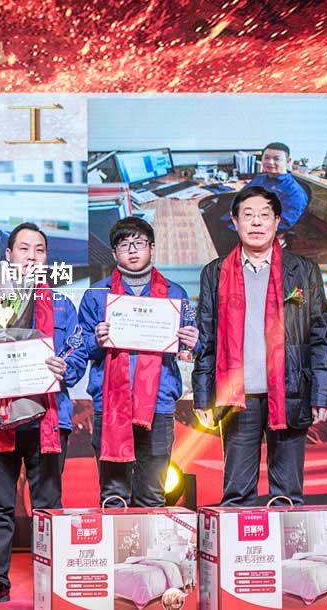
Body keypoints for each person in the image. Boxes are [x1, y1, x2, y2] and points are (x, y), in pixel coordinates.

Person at [0, 223, 86, 605]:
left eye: (39, 250)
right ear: (8, 255)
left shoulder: (62, 304)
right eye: (24, 249)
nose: (32, 256)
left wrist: (67, 366)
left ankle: (54, 581)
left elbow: (78, 352)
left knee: (48, 507)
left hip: (48, 419)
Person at [194, 186, 327, 506]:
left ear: (276, 221)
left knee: (287, 495)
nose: (256, 222)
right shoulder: (215, 273)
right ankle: (240, 540)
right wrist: (203, 396)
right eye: (248, 215)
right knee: (237, 495)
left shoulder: (302, 271)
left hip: (290, 391)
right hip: (237, 397)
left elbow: (320, 336)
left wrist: (322, 394)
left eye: (264, 215)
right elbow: (206, 340)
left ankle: (286, 540)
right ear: (235, 222)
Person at [75, 217, 199, 507]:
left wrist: (194, 340)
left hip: (158, 404)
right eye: (124, 245)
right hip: (110, 404)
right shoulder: (96, 295)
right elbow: (81, 347)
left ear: (152, 248)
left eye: (139, 243)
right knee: (113, 495)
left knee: (152, 495)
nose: (132, 250)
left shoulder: (176, 294)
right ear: (114, 253)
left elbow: (192, 343)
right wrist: (97, 340)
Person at [243, 142, 310, 232]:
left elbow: (282, 223)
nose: (270, 162)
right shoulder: (259, 178)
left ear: (287, 161)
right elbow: (240, 197)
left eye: (276, 159)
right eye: (267, 158)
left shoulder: (295, 192)